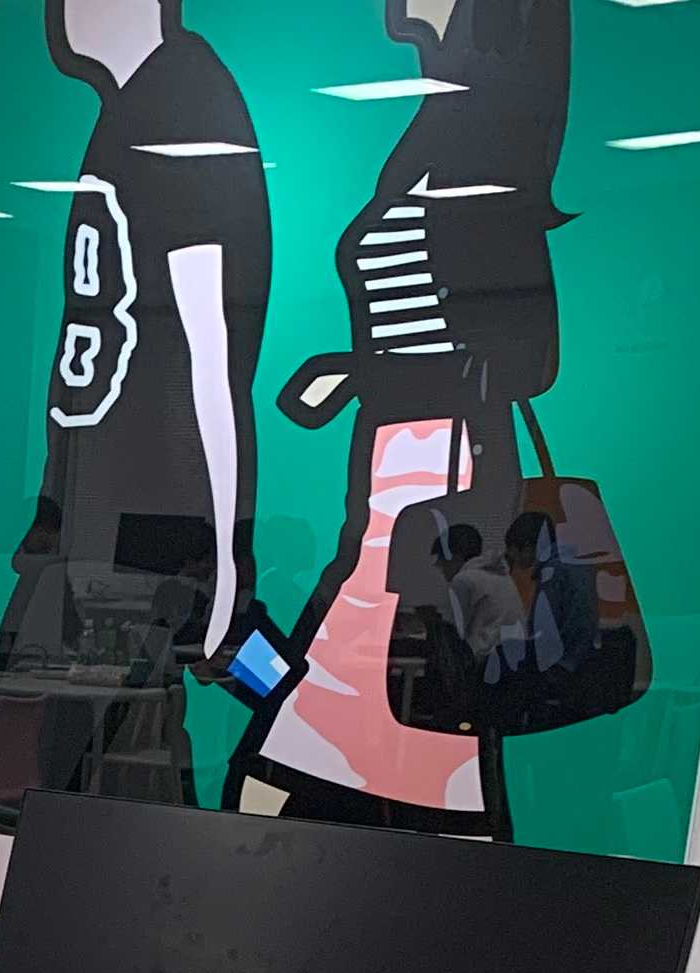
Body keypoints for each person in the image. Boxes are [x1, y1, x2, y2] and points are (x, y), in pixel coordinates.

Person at [0, 0, 270, 906]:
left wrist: (226, 560)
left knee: (25, 811)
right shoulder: (130, 111)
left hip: (135, 557)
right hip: (86, 547)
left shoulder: (187, 103)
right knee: (54, 808)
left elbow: (213, 352)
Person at [220, 0, 573, 837]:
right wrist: (361, 377)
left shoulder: (491, 144)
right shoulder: (435, 122)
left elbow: (527, 359)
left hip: (439, 474)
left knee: (394, 699)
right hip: (392, 467)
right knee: (335, 705)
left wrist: (365, 372)